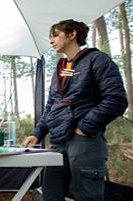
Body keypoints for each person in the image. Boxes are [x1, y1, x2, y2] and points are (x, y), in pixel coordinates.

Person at [23, 19, 128, 201]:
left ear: (72, 34)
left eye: (55, 35)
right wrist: (38, 133)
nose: (51, 40)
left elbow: (116, 99)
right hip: (58, 142)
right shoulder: (61, 68)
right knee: (51, 195)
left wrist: (84, 128)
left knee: (86, 196)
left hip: (85, 142)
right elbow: (52, 106)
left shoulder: (97, 60)